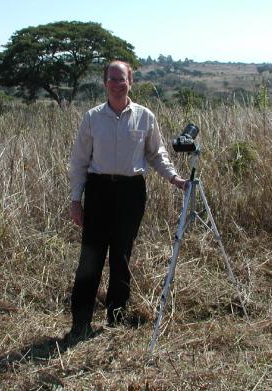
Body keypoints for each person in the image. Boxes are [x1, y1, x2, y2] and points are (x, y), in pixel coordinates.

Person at [67, 60, 186, 341]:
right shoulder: (92, 118)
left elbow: (157, 154)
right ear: (104, 82)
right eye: (111, 79)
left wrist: (175, 178)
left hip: (131, 193)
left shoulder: (145, 117)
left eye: (121, 79)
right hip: (98, 191)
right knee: (91, 257)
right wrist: (75, 200)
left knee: (122, 255)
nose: (116, 84)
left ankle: (116, 317)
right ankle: (80, 322)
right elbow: (79, 162)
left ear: (130, 82)